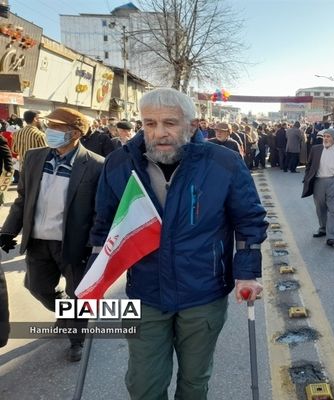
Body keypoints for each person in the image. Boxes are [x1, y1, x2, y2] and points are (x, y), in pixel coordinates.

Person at [90, 88, 267, 399]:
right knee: (143, 384)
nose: (159, 133)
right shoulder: (119, 163)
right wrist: (92, 278)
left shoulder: (223, 163)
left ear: (192, 124)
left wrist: (247, 273)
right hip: (143, 292)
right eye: (149, 123)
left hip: (203, 293)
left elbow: (248, 222)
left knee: (194, 383)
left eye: (170, 123)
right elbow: (104, 226)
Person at [0, 107, 104, 361]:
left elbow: (100, 210)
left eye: (57, 128)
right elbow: (23, 199)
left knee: (78, 294)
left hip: (74, 245)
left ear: (76, 133)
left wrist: (93, 244)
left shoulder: (96, 165)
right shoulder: (35, 158)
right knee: (36, 286)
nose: (50, 132)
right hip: (38, 241)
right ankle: (64, 311)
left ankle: (76, 340)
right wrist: (7, 231)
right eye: (50, 126)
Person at [302, 128, 334, 247]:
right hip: (318, 182)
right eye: (324, 136)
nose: (325, 138)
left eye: (328, 136)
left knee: (333, 210)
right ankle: (323, 229)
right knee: (320, 208)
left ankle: (331, 236)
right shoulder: (315, 150)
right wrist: (307, 177)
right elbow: (309, 165)